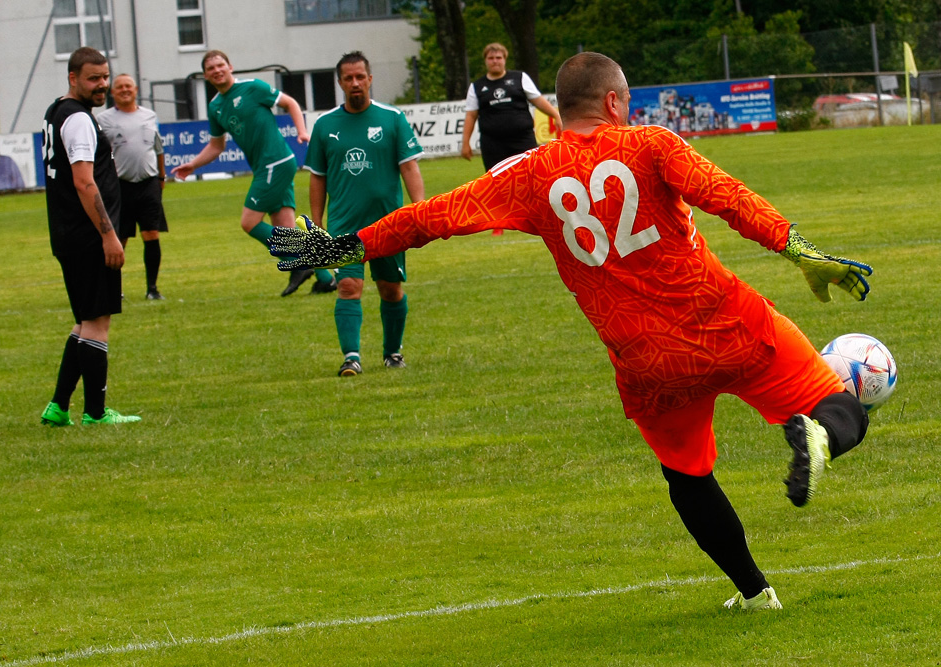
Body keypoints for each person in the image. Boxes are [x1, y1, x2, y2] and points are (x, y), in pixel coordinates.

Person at [268, 52, 874, 609]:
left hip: (646, 361)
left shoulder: (532, 173)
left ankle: (753, 592)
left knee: (688, 477)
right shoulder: (650, 143)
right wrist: (797, 247)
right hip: (726, 325)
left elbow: (431, 217)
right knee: (842, 404)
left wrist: (341, 245)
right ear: (613, 102)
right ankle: (818, 433)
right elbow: (729, 198)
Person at [171, 49, 336, 296]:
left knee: (249, 223)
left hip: (276, 162)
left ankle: (302, 262)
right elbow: (217, 146)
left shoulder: (253, 88)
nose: (216, 70)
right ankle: (325, 279)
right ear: (205, 76)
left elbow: (289, 102)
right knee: (285, 231)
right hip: (264, 167)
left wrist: (301, 131)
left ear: (230, 67)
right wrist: (193, 165)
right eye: (210, 68)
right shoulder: (215, 106)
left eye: (220, 65)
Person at [303, 51, 424, 376]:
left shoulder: (392, 118)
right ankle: (351, 357)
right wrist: (316, 221)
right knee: (348, 287)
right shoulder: (325, 125)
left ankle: (392, 352)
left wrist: (419, 209)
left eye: (360, 77)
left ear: (370, 79)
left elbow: (409, 167)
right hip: (345, 225)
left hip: (389, 224)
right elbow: (317, 175)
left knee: (391, 290)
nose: (355, 83)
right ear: (340, 82)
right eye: (348, 78)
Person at [39, 46, 141, 427]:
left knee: (83, 321)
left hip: (67, 233)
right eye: (93, 78)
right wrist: (109, 235)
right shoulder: (79, 119)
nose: (102, 85)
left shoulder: (55, 111)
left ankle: (58, 407)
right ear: (73, 78)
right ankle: (96, 413)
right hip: (87, 235)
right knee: (98, 322)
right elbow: (84, 182)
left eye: (105, 77)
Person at [460, 42, 561, 237]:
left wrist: (556, 116)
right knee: (496, 183)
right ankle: (499, 224)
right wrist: (465, 143)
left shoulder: (519, 78)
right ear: (485, 61)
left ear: (504, 59)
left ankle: (540, 216)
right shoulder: (477, 87)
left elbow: (538, 100)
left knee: (533, 178)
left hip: (522, 138)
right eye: (491, 58)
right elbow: (471, 116)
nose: (495, 61)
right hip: (492, 141)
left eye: (498, 58)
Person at [98, 73, 169, 300]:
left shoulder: (149, 116)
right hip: (120, 186)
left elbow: (158, 148)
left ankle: (152, 289)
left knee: (151, 234)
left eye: (129, 86)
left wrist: (161, 178)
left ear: (136, 89)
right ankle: (112, 289)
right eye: (120, 87)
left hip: (148, 184)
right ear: (113, 92)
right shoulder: (104, 119)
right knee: (118, 239)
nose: (125, 90)